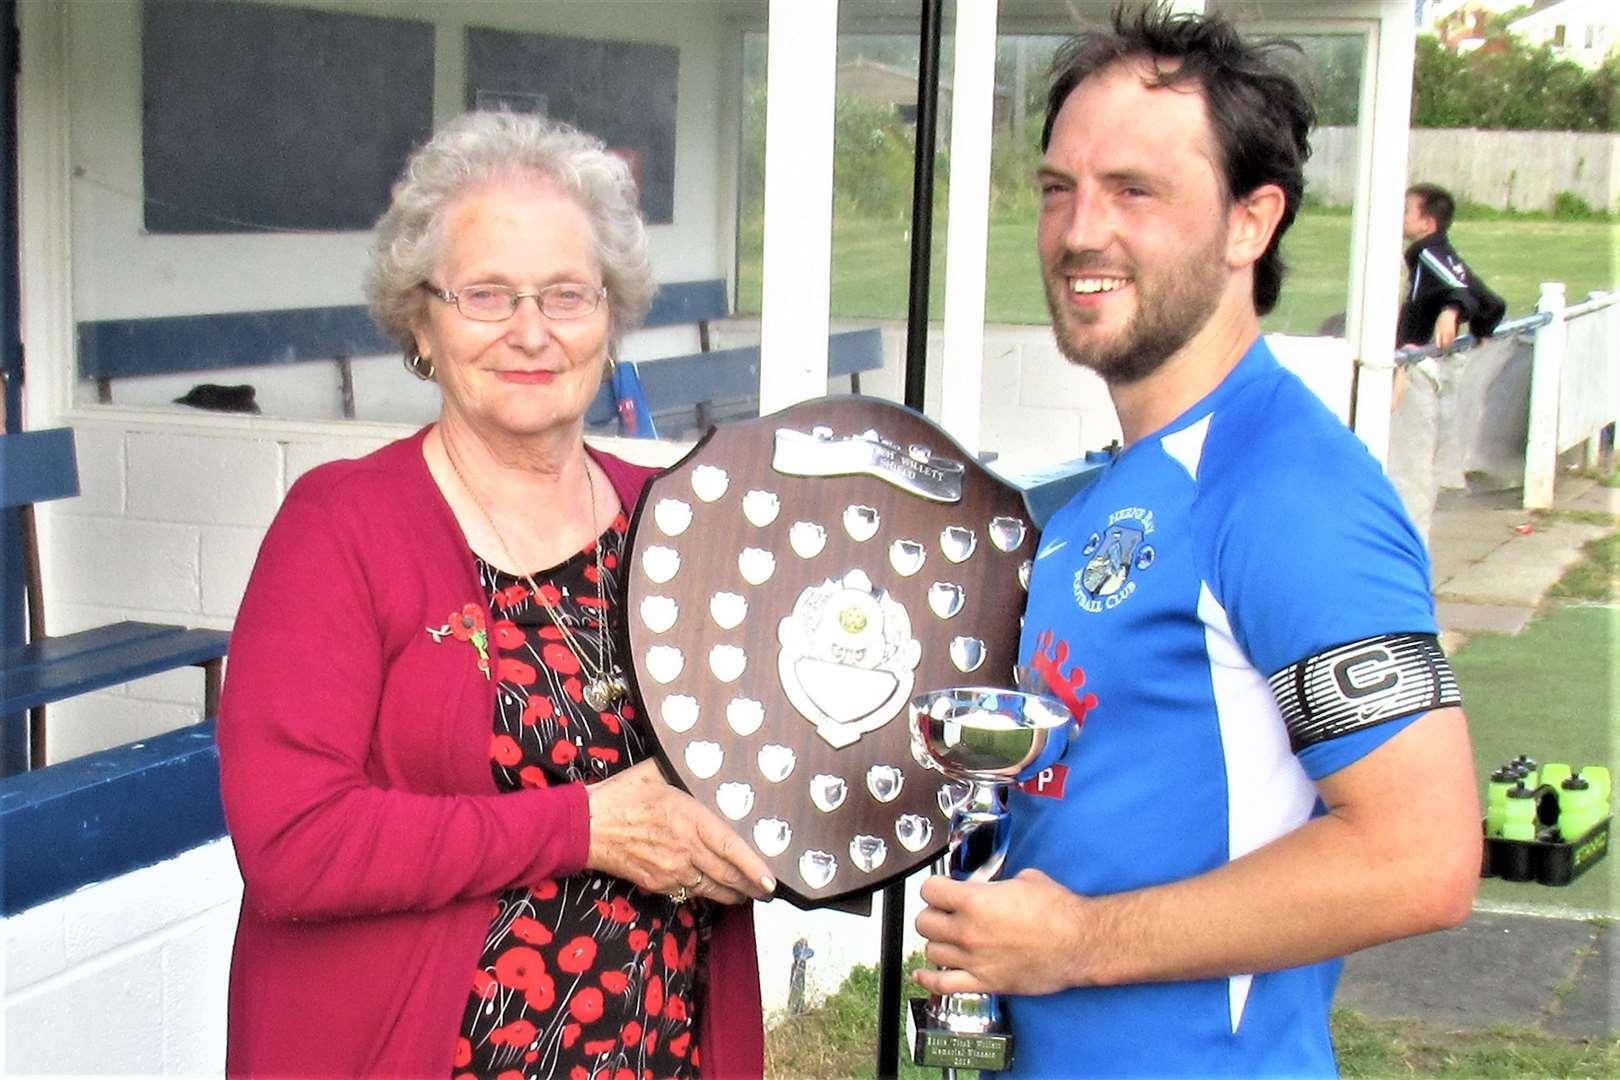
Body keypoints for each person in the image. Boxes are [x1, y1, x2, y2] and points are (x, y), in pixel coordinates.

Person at [912, 6, 1481, 1076]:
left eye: (1136, 190)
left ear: (1248, 224)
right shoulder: (1100, 497)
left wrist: (1077, 946)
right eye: (1058, 189)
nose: (1082, 231)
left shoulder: (1290, 491)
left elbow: (1423, 856)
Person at [217, 112, 776, 1079]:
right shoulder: (342, 528)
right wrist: (583, 826)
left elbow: (768, 762)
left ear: (609, 316)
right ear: (423, 323)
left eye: (566, 294)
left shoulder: (678, 525)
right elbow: (294, 841)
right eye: (486, 295)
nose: (531, 331)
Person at [1399, 183, 1506, 348]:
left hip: (1415, 360)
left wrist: (1451, 311)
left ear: (1427, 224)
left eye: (1405, 211)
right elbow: (1492, 304)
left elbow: (1462, 292)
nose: (1399, 215)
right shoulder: (1442, 253)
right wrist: (1480, 332)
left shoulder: (1428, 256)